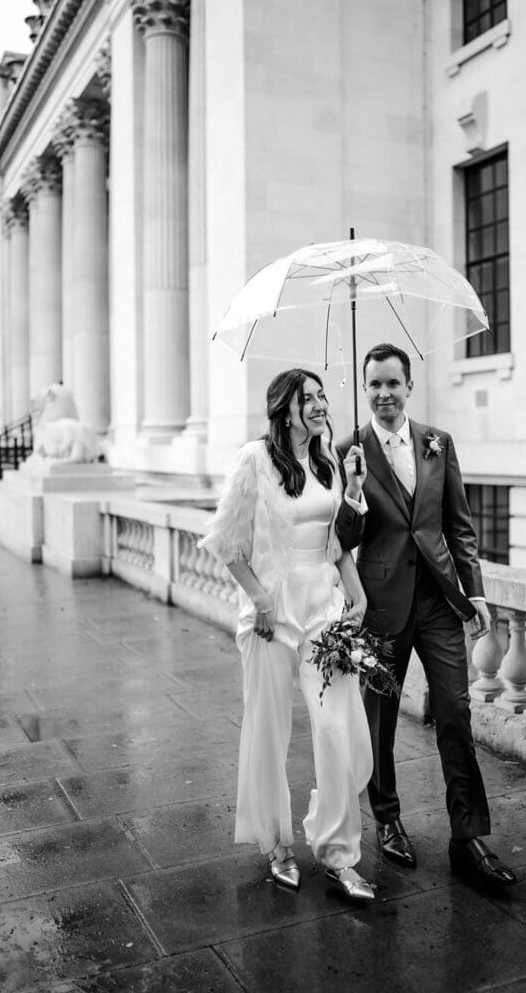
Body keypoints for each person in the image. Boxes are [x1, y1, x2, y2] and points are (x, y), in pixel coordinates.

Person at [336, 342, 517, 888]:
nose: (384, 393)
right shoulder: (350, 449)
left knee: (456, 715)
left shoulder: (439, 443)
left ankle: (468, 838)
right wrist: (351, 490)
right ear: (364, 390)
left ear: (409, 386)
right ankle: (388, 821)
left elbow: (457, 524)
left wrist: (476, 592)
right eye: (375, 385)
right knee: (380, 723)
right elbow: (342, 542)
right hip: (382, 605)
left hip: (439, 601)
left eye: (393, 383)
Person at [198, 368, 375, 901]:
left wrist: (358, 594)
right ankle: (277, 846)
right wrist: (261, 600)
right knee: (270, 730)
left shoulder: (329, 462)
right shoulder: (255, 461)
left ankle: (340, 853)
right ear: (284, 409)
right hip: (274, 614)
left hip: (325, 607)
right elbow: (225, 543)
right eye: (309, 399)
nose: (321, 405)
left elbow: (335, 544)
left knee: (337, 727)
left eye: (323, 397)